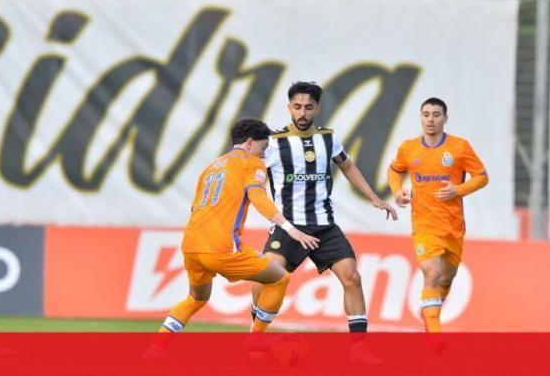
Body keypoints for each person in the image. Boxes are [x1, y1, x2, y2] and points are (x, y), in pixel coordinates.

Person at [251, 81, 397, 363]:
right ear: (288, 108)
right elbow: (249, 178)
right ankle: (255, 333)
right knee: (266, 275)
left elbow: (348, 166)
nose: (302, 112)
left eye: (308, 107)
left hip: (325, 226)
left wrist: (373, 197)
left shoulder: (329, 139)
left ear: (317, 108)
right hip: (289, 226)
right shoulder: (272, 144)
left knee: (352, 277)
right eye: (297, 107)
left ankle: (359, 348)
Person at [156, 118, 319, 336]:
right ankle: (255, 344)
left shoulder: (212, 167)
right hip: (221, 248)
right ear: (250, 143)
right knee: (280, 278)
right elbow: (258, 197)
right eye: (263, 147)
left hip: (192, 245)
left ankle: (157, 347)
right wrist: (289, 228)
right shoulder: (252, 163)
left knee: (196, 298)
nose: (264, 153)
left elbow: (195, 207)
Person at [387, 97, 488, 332]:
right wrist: (397, 191)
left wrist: (457, 190)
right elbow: (394, 170)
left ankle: (428, 312)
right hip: (424, 223)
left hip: (453, 225)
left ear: (445, 119)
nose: (430, 119)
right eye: (426, 114)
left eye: (436, 115)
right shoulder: (409, 148)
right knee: (432, 273)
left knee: (446, 277)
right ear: (421, 117)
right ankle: (436, 339)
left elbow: (482, 176)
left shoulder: (459, 147)